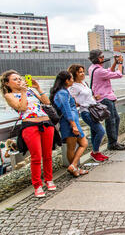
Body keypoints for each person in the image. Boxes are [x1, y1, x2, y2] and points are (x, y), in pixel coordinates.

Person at [1, 70, 58, 198]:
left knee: (47, 155)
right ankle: (37, 185)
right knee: (36, 157)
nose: (19, 81)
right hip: (30, 126)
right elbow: (21, 108)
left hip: (46, 123)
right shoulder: (9, 95)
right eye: (14, 79)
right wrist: (22, 92)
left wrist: (37, 87)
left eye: (19, 78)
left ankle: (49, 179)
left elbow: (47, 102)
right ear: (7, 83)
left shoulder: (31, 91)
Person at [50, 71, 89, 177]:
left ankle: (74, 166)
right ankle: (74, 167)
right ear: (66, 80)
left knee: (83, 143)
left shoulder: (63, 92)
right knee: (73, 146)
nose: (73, 80)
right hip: (69, 123)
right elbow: (66, 110)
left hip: (72, 122)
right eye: (71, 78)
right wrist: (73, 125)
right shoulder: (62, 93)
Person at [68, 64, 108, 162]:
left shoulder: (84, 83)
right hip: (86, 112)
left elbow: (86, 97)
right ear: (74, 74)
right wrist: (77, 103)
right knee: (101, 131)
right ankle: (94, 153)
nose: (82, 74)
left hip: (93, 109)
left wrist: (94, 98)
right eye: (80, 72)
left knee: (94, 131)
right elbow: (71, 100)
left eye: (83, 71)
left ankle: (96, 152)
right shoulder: (73, 87)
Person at [88, 50, 125, 151]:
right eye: (102, 57)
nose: (103, 58)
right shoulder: (99, 71)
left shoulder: (93, 68)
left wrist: (115, 63)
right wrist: (120, 63)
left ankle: (114, 141)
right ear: (97, 58)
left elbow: (109, 71)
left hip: (104, 97)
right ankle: (112, 143)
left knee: (115, 119)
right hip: (105, 98)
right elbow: (118, 74)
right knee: (111, 121)